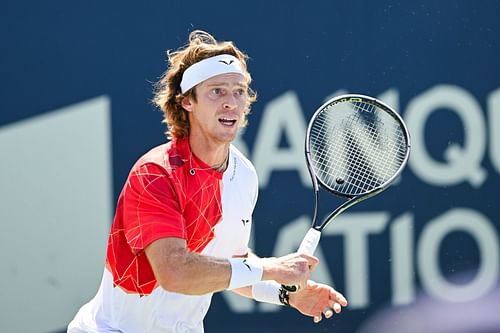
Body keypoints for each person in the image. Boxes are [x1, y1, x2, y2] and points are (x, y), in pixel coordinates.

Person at [68, 29, 347, 333]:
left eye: (239, 91)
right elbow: (175, 271)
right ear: (188, 101)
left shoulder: (244, 175)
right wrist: (273, 268)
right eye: (217, 91)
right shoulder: (156, 173)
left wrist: (285, 293)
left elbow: (229, 265)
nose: (231, 103)